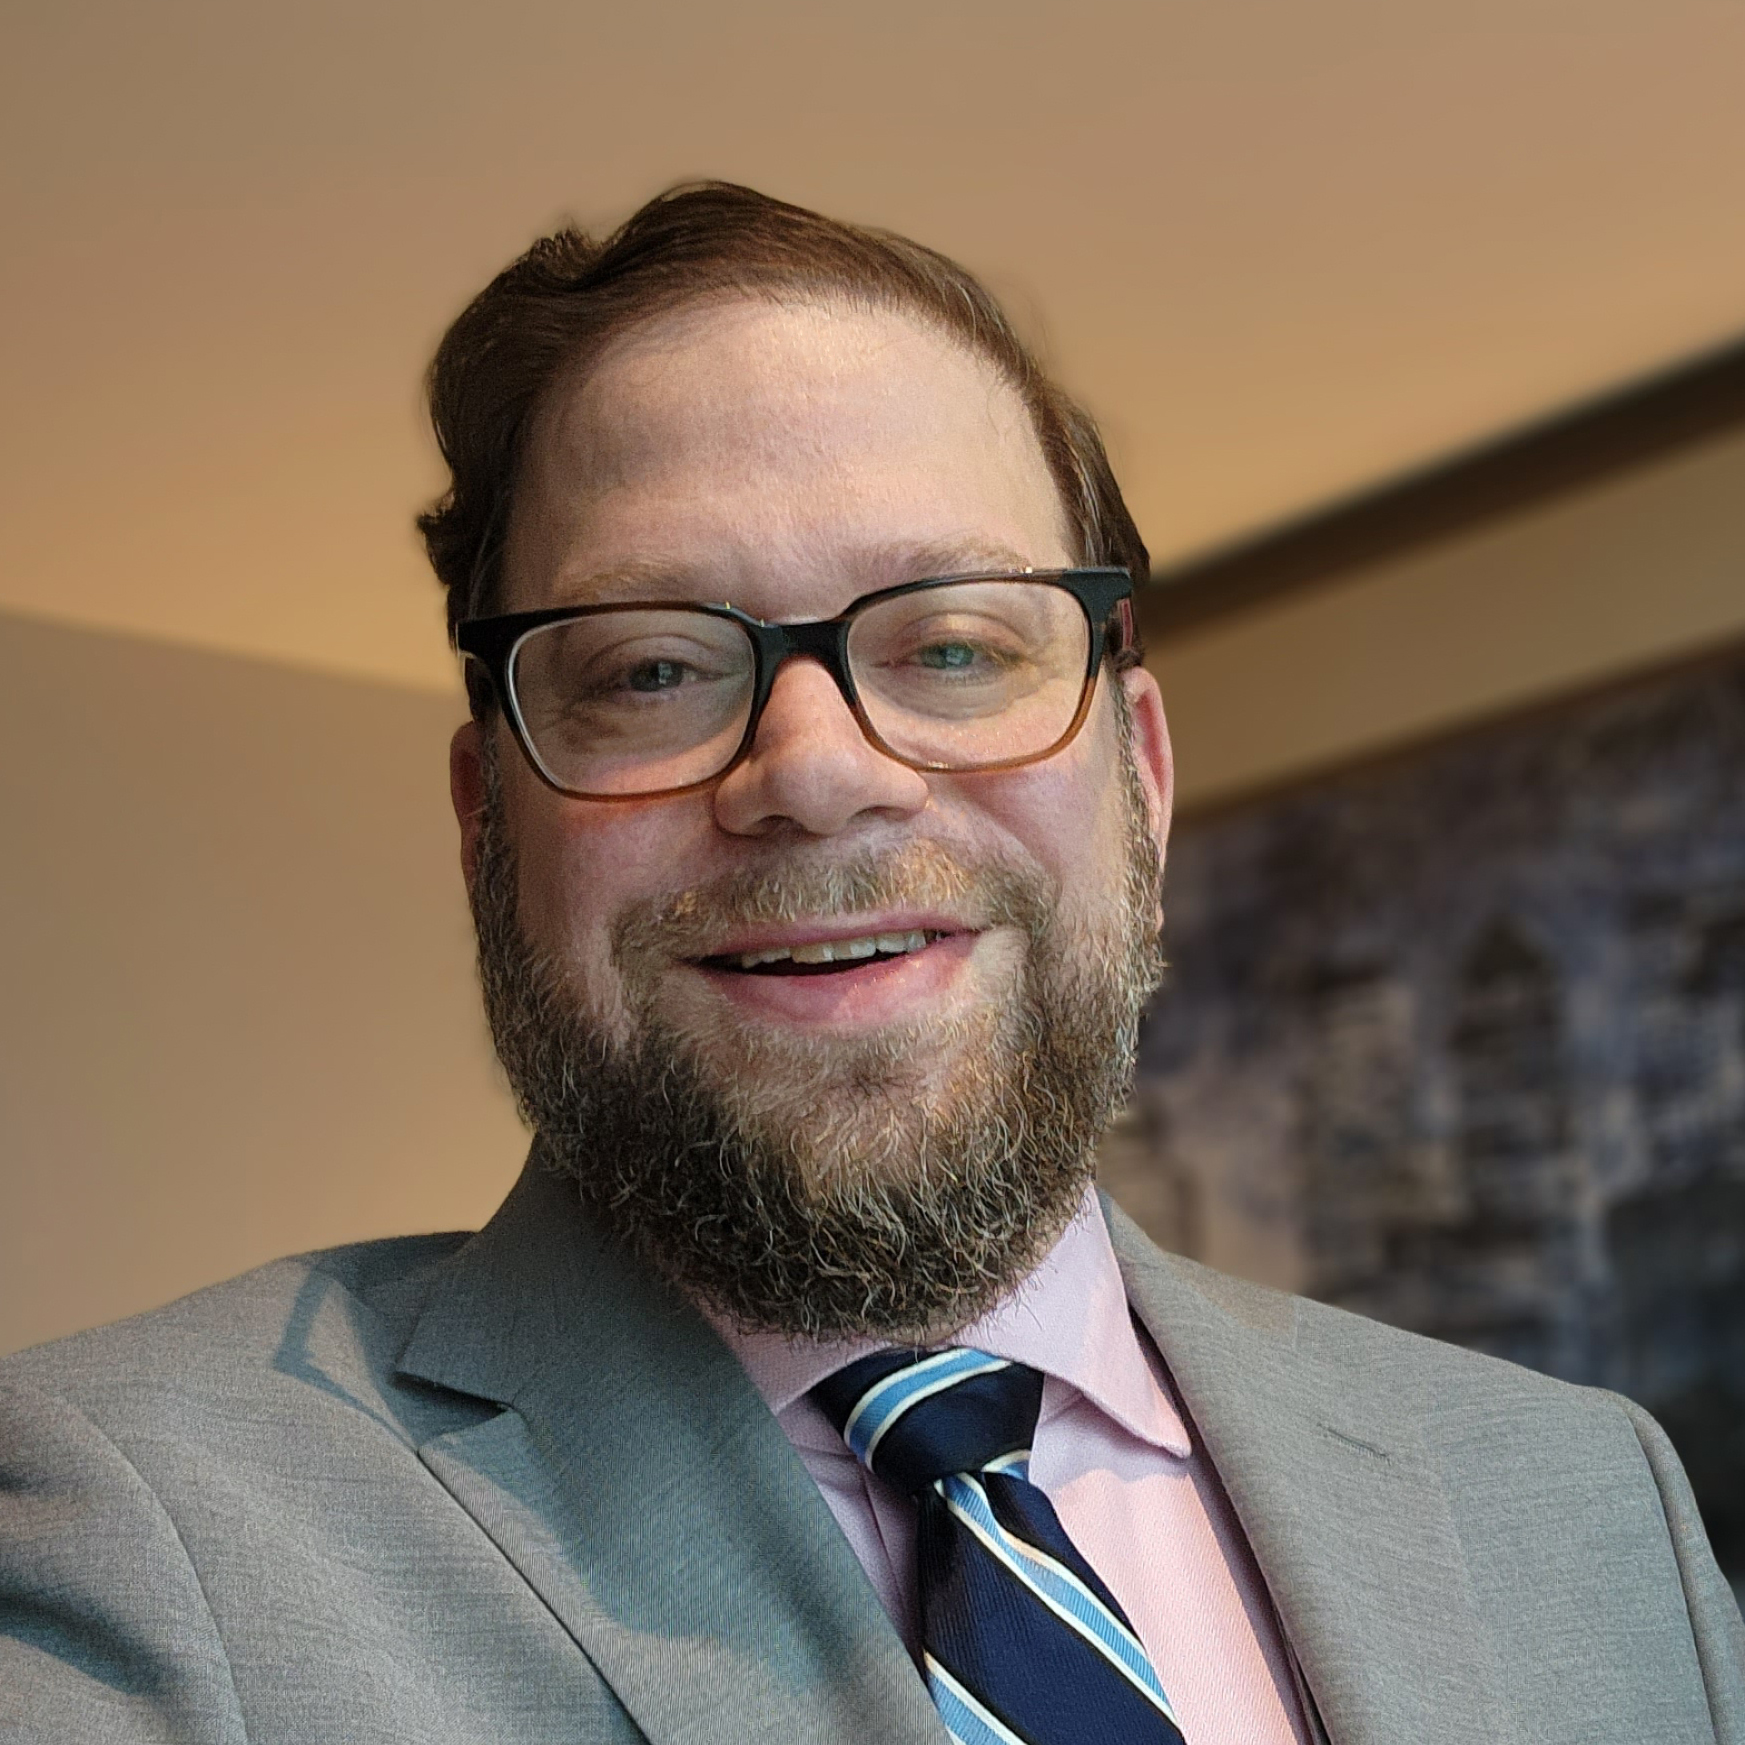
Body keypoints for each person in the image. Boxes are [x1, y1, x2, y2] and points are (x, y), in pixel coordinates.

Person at [1, 183, 1739, 1745]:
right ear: (485, 824)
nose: (817, 769)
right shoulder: (133, 1533)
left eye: (955, 645)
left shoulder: (1582, 1504)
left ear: (1138, 777)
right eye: (651, 671)